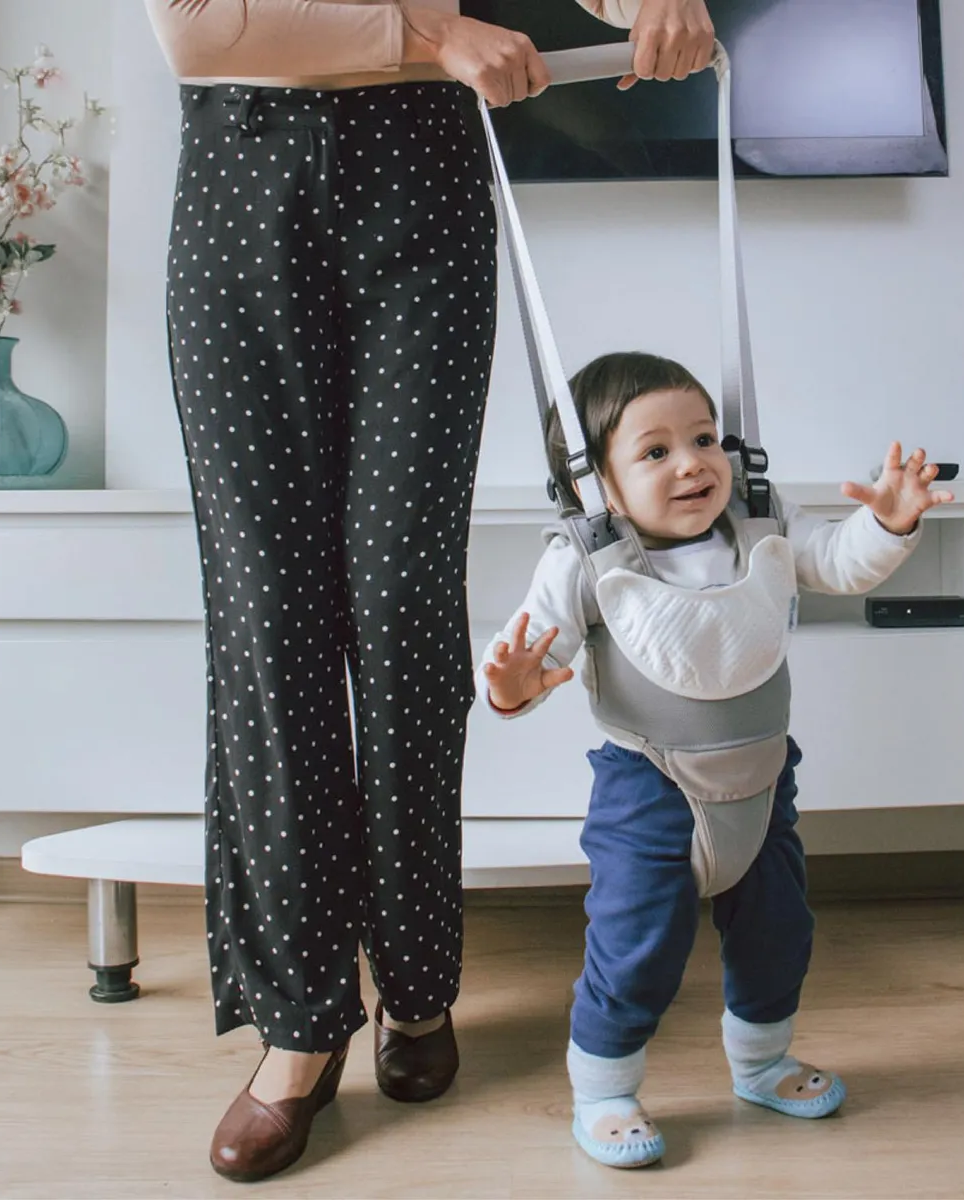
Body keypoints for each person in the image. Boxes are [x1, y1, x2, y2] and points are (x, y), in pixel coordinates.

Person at [143, 0, 715, 1183]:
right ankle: (301, 1025)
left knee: (403, 608)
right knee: (269, 618)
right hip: (245, 182)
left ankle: (416, 985)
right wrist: (430, 34)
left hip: (425, 188)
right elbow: (197, 30)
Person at [479, 351, 954, 1168]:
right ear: (595, 485)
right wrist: (514, 684)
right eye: (655, 451)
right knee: (635, 947)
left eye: (704, 438)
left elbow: (839, 564)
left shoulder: (762, 521)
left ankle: (762, 1064)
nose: (694, 463)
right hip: (648, 789)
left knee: (780, 932)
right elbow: (529, 650)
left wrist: (890, 524)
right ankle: (603, 1088)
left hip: (764, 782)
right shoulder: (584, 557)